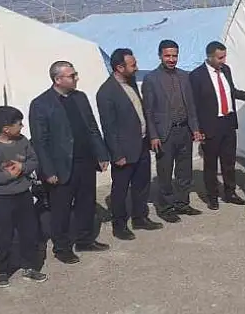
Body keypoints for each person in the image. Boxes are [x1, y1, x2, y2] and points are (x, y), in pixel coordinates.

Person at [29, 61, 110, 265]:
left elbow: (92, 127)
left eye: (75, 74)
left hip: (85, 162)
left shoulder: (80, 97)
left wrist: (101, 154)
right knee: (61, 210)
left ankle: (85, 239)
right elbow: (40, 142)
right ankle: (62, 247)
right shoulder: (41, 104)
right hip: (61, 167)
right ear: (58, 79)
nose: (76, 78)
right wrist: (48, 171)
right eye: (72, 76)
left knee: (86, 203)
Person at [96, 48, 163, 241]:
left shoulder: (131, 82)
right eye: (133, 65)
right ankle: (119, 225)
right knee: (120, 189)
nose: (137, 68)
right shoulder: (106, 92)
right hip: (124, 151)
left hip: (141, 144)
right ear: (119, 67)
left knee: (142, 184)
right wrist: (117, 154)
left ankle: (140, 217)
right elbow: (109, 128)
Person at [0, 106, 47, 287]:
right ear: (6, 129)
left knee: (29, 232)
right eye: (19, 124)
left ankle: (29, 266)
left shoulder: (22, 141)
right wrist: (8, 175)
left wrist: (23, 167)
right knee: (4, 236)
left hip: (23, 195)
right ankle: (1, 270)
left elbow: (34, 161)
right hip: (1, 199)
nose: (22, 126)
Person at [143, 40, 204, 219]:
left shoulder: (184, 76)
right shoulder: (151, 79)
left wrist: (195, 128)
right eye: (167, 55)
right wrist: (153, 136)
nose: (171, 59)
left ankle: (182, 203)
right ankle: (166, 208)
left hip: (184, 130)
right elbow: (148, 111)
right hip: (165, 134)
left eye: (174, 55)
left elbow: (191, 105)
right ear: (160, 56)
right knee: (165, 172)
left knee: (185, 170)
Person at [189, 41, 245, 210]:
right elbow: (193, 104)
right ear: (210, 57)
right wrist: (197, 129)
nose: (223, 60)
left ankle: (230, 192)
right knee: (210, 163)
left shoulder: (226, 70)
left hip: (228, 122)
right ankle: (212, 196)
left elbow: (231, 91)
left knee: (229, 161)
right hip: (210, 124)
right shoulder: (197, 76)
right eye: (220, 58)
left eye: (224, 56)